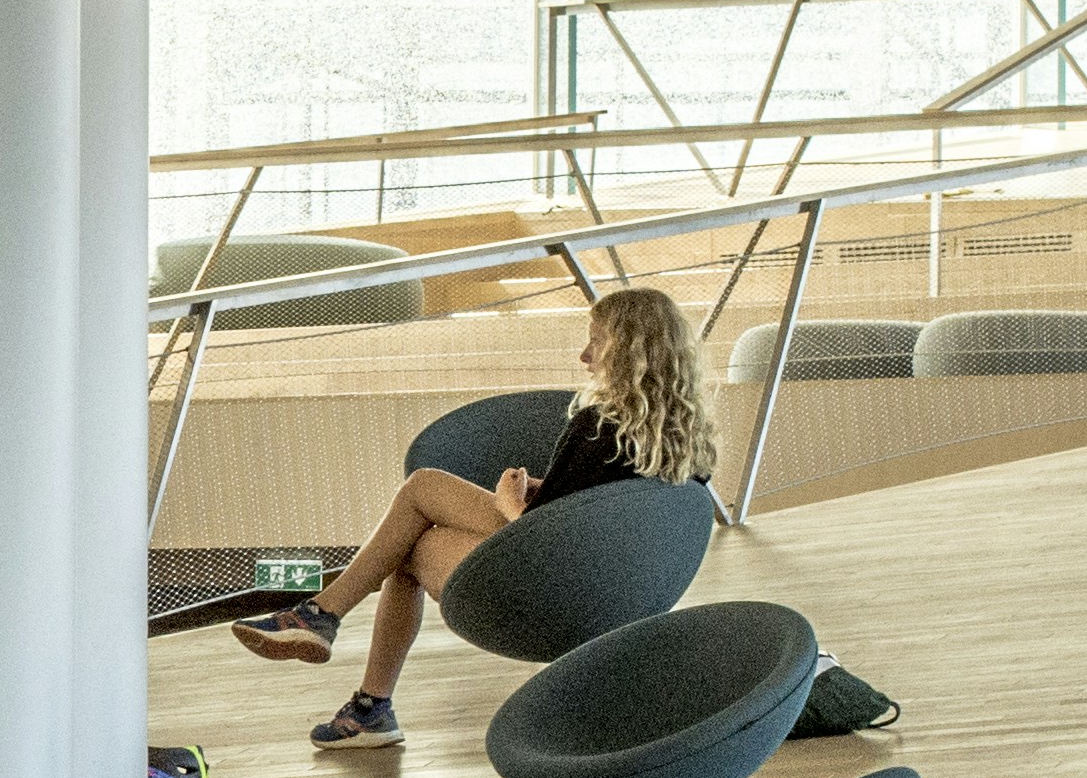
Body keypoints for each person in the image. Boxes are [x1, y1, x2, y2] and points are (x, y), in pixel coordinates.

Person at [234, 283, 723, 748]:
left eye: (597, 342)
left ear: (631, 352)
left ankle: (334, 640)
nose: (585, 356)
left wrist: (513, 504)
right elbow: (601, 512)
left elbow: (548, 537)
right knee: (415, 516)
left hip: (553, 590)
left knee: (418, 507)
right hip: (618, 591)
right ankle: (348, 668)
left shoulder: (597, 425)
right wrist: (546, 491)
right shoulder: (685, 435)